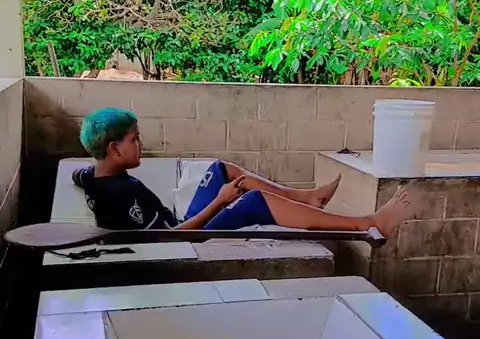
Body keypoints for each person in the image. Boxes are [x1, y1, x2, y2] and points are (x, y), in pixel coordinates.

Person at [72, 107, 412, 237]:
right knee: (255, 200)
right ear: (114, 149)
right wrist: (220, 202)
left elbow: (82, 174)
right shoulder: (122, 194)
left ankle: (305, 197)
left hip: (178, 223)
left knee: (221, 169)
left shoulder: (94, 176)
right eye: (134, 139)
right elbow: (168, 239)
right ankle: (367, 223)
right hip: (185, 238)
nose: (141, 145)